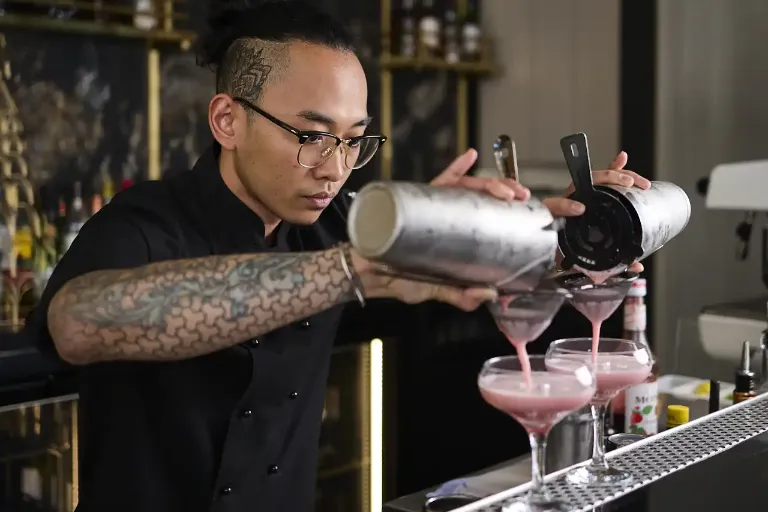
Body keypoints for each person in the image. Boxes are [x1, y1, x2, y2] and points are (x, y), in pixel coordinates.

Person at [28, 1, 650, 511]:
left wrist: (575, 231)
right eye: (311, 136)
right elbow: (78, 324)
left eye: (353, 141)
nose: (333, 168)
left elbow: (500, 273)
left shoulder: (340, 220)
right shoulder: (143, 222)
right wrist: (353, 270)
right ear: (227, 120)